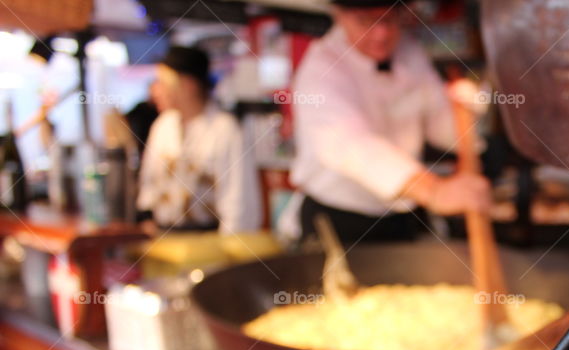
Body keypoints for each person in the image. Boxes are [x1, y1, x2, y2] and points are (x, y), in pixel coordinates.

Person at [285, 0, 491, 244]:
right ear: (339, 15)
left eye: (390, 20)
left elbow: (441, 128)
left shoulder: (409, 52)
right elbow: (351, 144)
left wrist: (468, 110)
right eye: (365, 20)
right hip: (339, 219)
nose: (381, 34)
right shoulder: (321, 67)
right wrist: (434, 191)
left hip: (399, 216)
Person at [137, 46, 260, 234]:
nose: (156, 90)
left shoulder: (226, 130)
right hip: (163, 237)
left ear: (188, 84)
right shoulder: (163, 126)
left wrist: (231, 250)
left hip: (207, 242)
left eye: (162, 82)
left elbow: (238, 202)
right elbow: (149, 183)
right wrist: (145, 218)